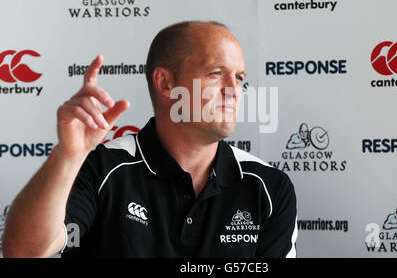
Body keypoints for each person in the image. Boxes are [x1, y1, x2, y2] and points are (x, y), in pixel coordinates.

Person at [3, 21, 297, 257]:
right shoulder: (100, 169)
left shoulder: (269, 186)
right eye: (216, 73)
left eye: (240, 77)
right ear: (165, 83)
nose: (234, 89)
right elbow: (25, 251)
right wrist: (68, 155)